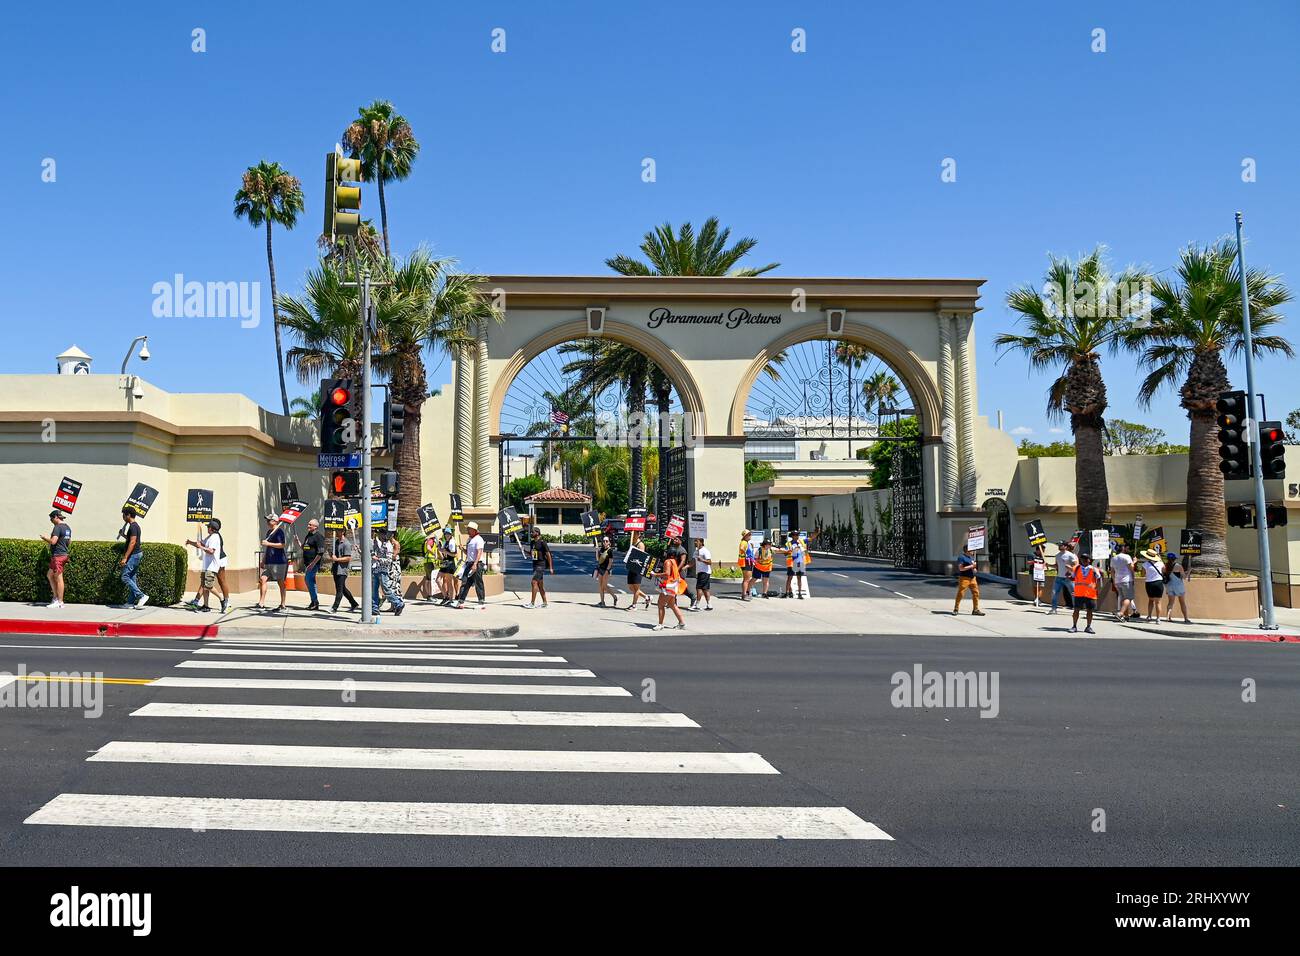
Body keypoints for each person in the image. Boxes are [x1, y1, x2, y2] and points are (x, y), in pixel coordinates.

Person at [183, 520, 223, 612]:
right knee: (204, 586)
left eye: (208, 527)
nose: (207, 528)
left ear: (212, 529)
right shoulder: (210, 537)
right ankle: (206, 605)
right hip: (206, 565)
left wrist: (201, 547)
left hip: (211, 566)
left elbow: (211, 551)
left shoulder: (215, 537)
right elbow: (201, 544)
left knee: (208, 586)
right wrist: (190, 542)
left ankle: (222, 599)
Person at [117, 507, 148, 608]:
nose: (123, 517)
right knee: (132, 578)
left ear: (128, 515)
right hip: (136, 554)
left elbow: (133, 542)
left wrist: (125, 557)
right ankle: (130, 602)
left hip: (134, 555)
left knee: (125, 577)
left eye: (124, 515)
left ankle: (141, 595)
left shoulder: (133, 527)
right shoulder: (134, 526)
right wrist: (123, 535)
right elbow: (131, 539)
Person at [257, 514, 288, 612]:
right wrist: (263, 560)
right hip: (269, 561)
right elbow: (268, 548)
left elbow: (282, 545)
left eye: (269, 520)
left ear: (275, 521)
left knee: (281, 583)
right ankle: (261, 602)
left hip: (279, 562)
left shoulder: (279, 532)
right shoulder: (269, 532)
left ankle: (283, 604)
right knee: (263, 579)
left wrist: (268, 543)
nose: (267, 522)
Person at [651, 547, 686, 631]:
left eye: (666, 552)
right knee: (672, 605)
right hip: (673, 585)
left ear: (669, 553)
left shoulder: (667, 561)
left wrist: (655, 574)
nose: (665, 553)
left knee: (660, 604)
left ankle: (660, 624)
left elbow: (667, 574)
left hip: (668, 586)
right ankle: (682, 623)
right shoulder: (674, 561)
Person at [372, 530, 405, 617]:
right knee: (374, 590)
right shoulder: (377, 544)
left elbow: (389, 560)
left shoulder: (388, 546)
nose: (378, 535)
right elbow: (370, 554)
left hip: (383, 570)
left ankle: (398, 603)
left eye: (380, 533)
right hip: (376, 569)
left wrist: (377, 559)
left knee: (386, 589)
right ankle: (374, 607)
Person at [1069, 551, 1103, 634]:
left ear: (1089, 560)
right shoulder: (1077, 568)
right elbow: (1072, 577)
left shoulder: (1094, 569)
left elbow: (1099, 578)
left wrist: (1100, 572)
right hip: (1079, 593)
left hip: (1090, 594)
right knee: (1076, 610)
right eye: (1082, 558)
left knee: (1090, 611)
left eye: (1085, 559)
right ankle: (1074, 626)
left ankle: (1088, 626)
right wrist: (1069, 575)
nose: (1083, 560)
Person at [454, 522, 486, 607]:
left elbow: (479, 552)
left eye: (469, 529)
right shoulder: (469, 539)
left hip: (477, 564)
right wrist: (462, 549)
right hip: (469, 563)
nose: (467, 530)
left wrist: (475, 564)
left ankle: (481, 602)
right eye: (467, 529)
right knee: (465, 582)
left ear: (474, 530)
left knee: (478, 583)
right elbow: (468, 554)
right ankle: (461, 601)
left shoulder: (479, 539)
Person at [44, 510, 72, 608]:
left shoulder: (57, 527)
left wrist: (44, 538)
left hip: (58, 556)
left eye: (51, 518)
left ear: (56, 517)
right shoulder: (67, 527)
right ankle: (56, 597)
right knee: (50, 575)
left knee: (59, 579)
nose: (51, 521)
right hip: (63, 554)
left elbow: (53, 541)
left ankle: (60, 601)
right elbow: (69, 542)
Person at [300, 518, 327, 611]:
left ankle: (315, 602)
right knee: (309, 581)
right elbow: (304, 547)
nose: (308, 526)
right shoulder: (308, 535)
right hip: (308, 563)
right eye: (308, 524)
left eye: (310, 525)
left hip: (313, 564)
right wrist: (298, 542)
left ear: (315, 527)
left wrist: (313, 563)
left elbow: (320, 552)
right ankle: (314, 601)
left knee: (309, 580)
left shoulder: (318, 537)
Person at [329, 528, 359, 613]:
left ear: (343, 532)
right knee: (343, 588)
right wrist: (331, 555)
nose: (335, 532)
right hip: (335, 568)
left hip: (342, 570)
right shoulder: (336, 542)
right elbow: (334, 555)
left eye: (338, 531)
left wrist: (337, 559)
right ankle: (354, 603)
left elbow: (348, 558)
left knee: (339, 590)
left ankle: (334, 608)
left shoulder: (346, 544)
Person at [525, 526, 553, 608]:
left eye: (532, 532)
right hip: (535, 565)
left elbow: (548, 555)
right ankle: (545, 603)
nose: (530, 533)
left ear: (537, 533)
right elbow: (532, 554)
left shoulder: (542, 542)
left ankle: (532, 603)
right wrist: (524, 550)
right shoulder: (532, 543)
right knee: (540, 585)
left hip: (541, 565)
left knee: (534, 582)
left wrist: (551, 567)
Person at [1109, 543, 1137, 622]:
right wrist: (1134, 562)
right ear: (1123, 548)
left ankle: (1126, 616)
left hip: (1118, 581)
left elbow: (1112, 571)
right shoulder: (1127, 557)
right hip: (1126, 580)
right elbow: (1131, 568)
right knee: (1128, 598)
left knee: (1123, 598)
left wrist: (1114, 581)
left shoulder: (1113, 558)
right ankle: (1120, 613)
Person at [624, 530, 651, 611]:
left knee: (636, 588)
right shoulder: (632, 544)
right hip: (631, 567)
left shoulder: (641, 545)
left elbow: (641, 556)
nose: (632, 535)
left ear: (638, 534)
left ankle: (634, 605)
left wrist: (632, 553)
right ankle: (647, 597)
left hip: (637, 569)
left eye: (634, 533)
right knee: (630, 587)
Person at [953, 545, 984, 615]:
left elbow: (972, 569)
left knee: (976, 593)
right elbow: (961, 569)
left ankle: (975, 610)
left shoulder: (971, 558)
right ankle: (956, 609)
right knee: (961, 593)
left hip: (972, 578)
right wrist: (972, 566)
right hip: (964, 578)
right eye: (972, 550)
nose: (973, 551)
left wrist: (974, 569)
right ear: (967, 550)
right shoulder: (961, 557)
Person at [1048, 541, 1077, 615]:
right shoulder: (1057, 555)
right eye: (1059, 545)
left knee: (1073, 593)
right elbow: (1057, 566)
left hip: (1068, 578)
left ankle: (1076, 609)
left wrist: (1070, 569)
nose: (1059, 546)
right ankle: (1053, 609)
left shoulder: (1070, 555)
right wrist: (1048, 565)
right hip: (1059, 577)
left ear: (1065, 546)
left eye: (1061, 545)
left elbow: (1076, 566)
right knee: (1054, 593)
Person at [1163, 553, 1192, 624]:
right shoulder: (1178, 566)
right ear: (1175, 559)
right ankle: (1186, 618)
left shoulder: (1165, 566)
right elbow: (1184, 577)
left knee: (1170, 603)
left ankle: (1168, 617)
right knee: (1182, 603)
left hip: (1169, 585)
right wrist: (1189, 571)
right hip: (1179, 586)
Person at [1139, 548, 1165, 622]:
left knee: (1151, 600)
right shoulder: (1160, 563)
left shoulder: (1145, 564)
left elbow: (1142, 575)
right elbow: (1164, 571)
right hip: (1159, 583)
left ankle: (1149, 616)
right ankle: (1158, 618)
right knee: (1158, 602)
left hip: (1149, 583)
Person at [594, 535, 617, 607]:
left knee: (604, 586)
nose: (605, 542)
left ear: (609, 542)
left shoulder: (610, 551)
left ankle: (614, 597)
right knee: (600, 586)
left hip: (606, 570)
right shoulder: (601, 549)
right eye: (603, 541)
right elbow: (598, 559)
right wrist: (596, 551)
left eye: (606, 541)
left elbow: (610, 562)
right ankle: (602, 602)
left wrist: (607, 570)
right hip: (600, 569)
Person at [438, 527, 459, 605]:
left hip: (450, 562)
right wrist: (439, 546)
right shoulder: (446, 542)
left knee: (449, 582)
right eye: (446, 533)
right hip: (445, 562)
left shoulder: (452, 542)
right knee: (437, 580)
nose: (447, 535)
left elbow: (454, 554)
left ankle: (450, 599)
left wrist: (445, 551)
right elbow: (442, 551)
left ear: (451, 534)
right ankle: (445, 596)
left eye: (448, 534)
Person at [692, 537, 713, 610]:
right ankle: (709, 604)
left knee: (699, 588)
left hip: (704, 572)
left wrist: (702, 559)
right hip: (700, 572)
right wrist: (685, 567)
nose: (695, 542)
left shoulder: (705, 551)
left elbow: (709, 562)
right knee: (705, 589)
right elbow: (693, 562)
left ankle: (697, 605)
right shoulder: (696, 552)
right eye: (694, 541)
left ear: (701, 542)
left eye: (696, 541)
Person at [419, 533, 440, 601]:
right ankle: (430, 595)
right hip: (429, 562)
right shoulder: (430, 540)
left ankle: (429, 595)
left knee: (428, 579)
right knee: (431, 579)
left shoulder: (426, 541)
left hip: (426, 562)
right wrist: (434, 554)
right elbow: (428, 548)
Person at [737, 530, 755, 601]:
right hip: (746, 562)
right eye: (749, 534)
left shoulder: (747, 543)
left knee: (747, 579)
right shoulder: (744, 542)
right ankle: (744, 594)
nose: (750, 535)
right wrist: (746, 555)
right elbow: (742, 548)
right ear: (745, 536)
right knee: (746, 579)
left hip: (748, 562)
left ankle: (745, 593)